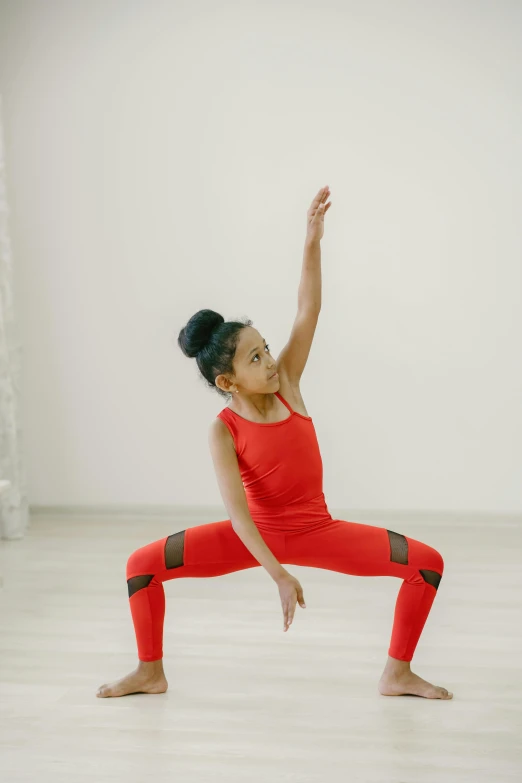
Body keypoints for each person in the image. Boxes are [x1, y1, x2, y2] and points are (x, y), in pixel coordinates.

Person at [97, 187, 453, 700]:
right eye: (255, 358)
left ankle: (397, 673)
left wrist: (312, 240)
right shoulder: (222, 429)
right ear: (228, 382)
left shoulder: (288, 384)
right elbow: (239, 515)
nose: (269, 362)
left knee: (427, 563)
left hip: (319, 530)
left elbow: (308, 310)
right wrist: (278, 575)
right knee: (140, 567)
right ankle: (150, 671)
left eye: (264, 349)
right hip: (254, 537)